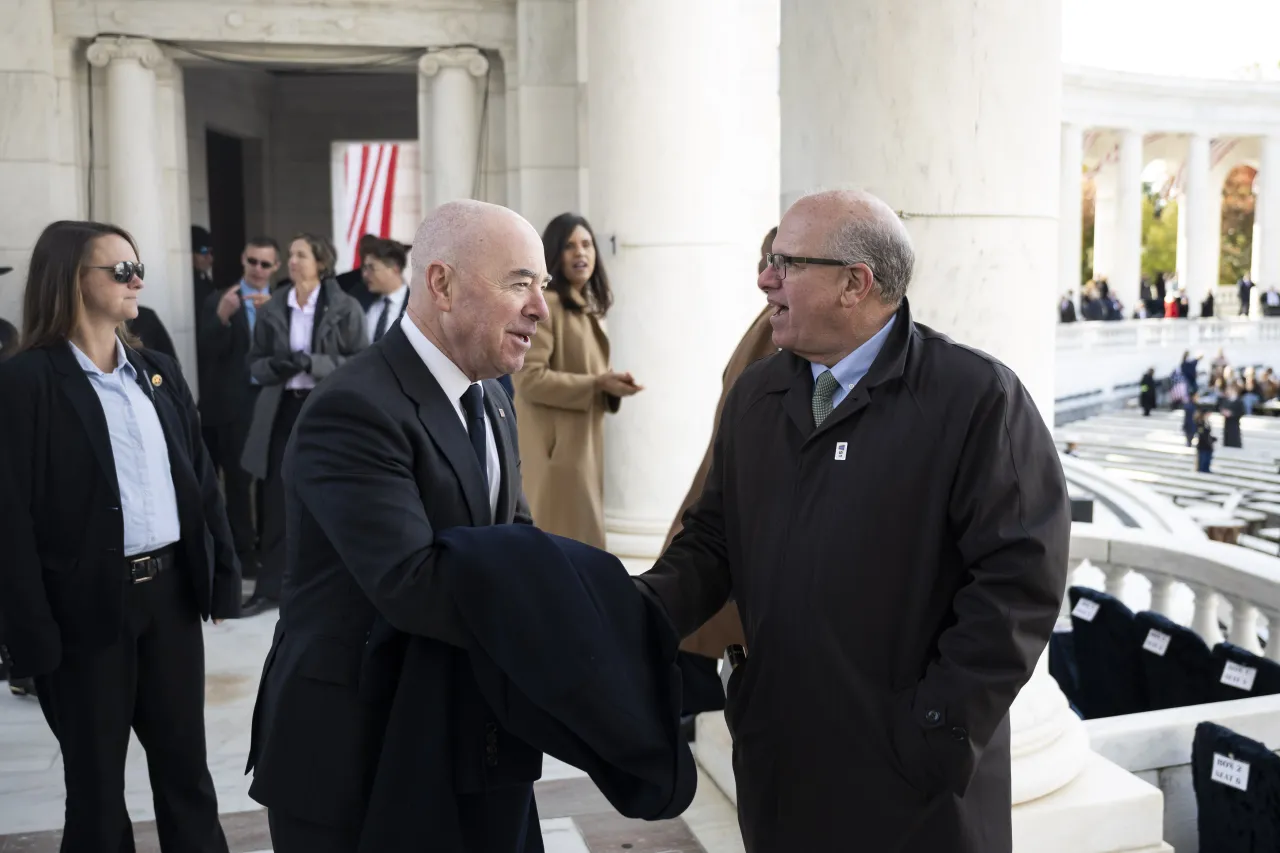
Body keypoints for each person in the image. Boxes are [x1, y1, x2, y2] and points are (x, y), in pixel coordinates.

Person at [635, 190, 1070, 852]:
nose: (764, 278)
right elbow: (712, 541)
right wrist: (629, 611)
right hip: (781, 766)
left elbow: (1020, 580)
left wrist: (933, 728)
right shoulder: (759, 394)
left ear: (853, 284)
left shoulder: (978, 397)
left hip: (910, 791)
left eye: (785, 262)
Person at [245, 200, 548, 851]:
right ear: (441, 283)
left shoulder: (492, 394)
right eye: (520, 282)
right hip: (357, 753)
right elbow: (415, 583)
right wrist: (581, 616)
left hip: (472, 738)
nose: (539, 308)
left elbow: (515, 539)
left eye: (541, 287)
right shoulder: (352, 406)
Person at [0, 220, 240, 851]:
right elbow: (10, 521)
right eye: (121, 270)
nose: (137, 281)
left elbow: (198, 479)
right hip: (83, 608)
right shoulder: (25, 383)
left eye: (139, 269)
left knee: (186, 771)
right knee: (97, 784)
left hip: (169, 598)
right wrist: (28, 632)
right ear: (71, 281)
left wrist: (219, 578)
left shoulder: (155, 370)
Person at [663, 227, 778, 688]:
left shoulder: (783, 329)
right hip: (722, 482)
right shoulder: (769, 322)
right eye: (766, 260)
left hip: (743, 496)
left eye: (782, 263)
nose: (766, 275)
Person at [239, 234, 366, 616]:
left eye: (300, 255)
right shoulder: (275, 306)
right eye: (290, 255)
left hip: (325, 411)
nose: (292, 261)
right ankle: (270, 589)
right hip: (281, 410)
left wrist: (315, 363)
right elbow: (255, 362)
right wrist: (275, 367)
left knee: (330, 495)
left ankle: (336, 584)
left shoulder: (346, 307)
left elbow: (360, 363)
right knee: (275, 497)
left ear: (321, 262)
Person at [513, 213, 642, 548]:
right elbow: (529, 378)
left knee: (577, 548)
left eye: (586, 244)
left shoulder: (583, 306)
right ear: (554, 254)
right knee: (563, 549)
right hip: (556, 453)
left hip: (579, 446)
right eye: (569, 246)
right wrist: (597, 384)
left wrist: (609, 384)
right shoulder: (549, 305)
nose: (580, 252)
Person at [198, 236, 281, 577]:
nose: (258, 269)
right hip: (233, 407)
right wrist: (222, 318)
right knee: (236, 481)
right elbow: (205, 351)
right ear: (243, 261)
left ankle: (269, 548)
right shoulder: (222, 298)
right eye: (252, 262)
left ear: (275, 267)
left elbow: (290, 352)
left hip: (271, 403)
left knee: (271, 480)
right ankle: (243, 553)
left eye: (265, 264)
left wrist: (272, 317)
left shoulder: (282, 303)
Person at [361, 238, 410, 344]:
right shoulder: (363, 303)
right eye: (364, 268)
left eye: (371, 268)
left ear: (394, 268)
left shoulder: (417, 306)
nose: (365, 274)